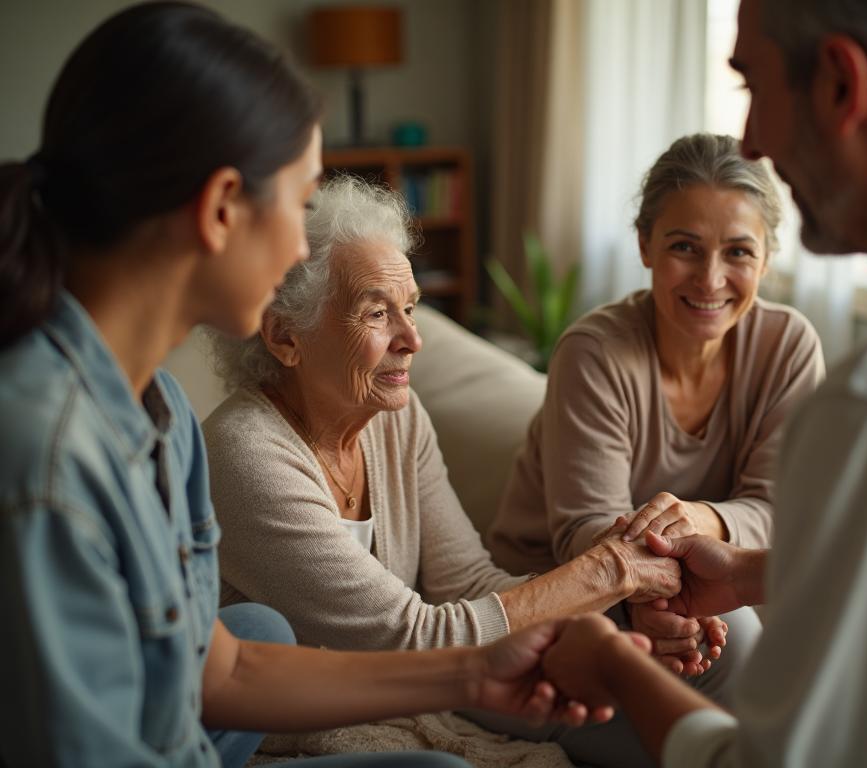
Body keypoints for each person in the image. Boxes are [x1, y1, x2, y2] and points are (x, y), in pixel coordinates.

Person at [0, 4, 608, 767]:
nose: (300, 244)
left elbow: (224, 666)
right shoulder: (49, 463)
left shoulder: (163, 419)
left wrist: (475, 672)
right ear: (223, 209)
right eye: (298, 202)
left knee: (272, 638)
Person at [538, 0, 867, 766]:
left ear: (839, 84)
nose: (753, 138)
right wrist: (749, 571)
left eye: (751, 84)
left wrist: (616, 666)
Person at [202, 173, 689, 768]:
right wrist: (611, 571)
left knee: (651, 730)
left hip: (427, 698)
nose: (412, 339)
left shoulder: (394, 419)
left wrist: (628, 608)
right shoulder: (243, 453)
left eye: (410, 309)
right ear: (285, 337)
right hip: (296, 738)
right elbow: (412, 639)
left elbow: (466, 583)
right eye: (376, 314)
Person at [487, 132, 823, 686]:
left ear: (766, 261)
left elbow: (778, 510)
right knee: (742, 648)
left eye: (738, 251)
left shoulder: (789, 347)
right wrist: (662, 596)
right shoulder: (594, 352)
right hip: (554, 586)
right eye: (684, 247)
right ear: (645, 245)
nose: (710, 279)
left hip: (694, 582)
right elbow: (583, 530)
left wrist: (697, 520)